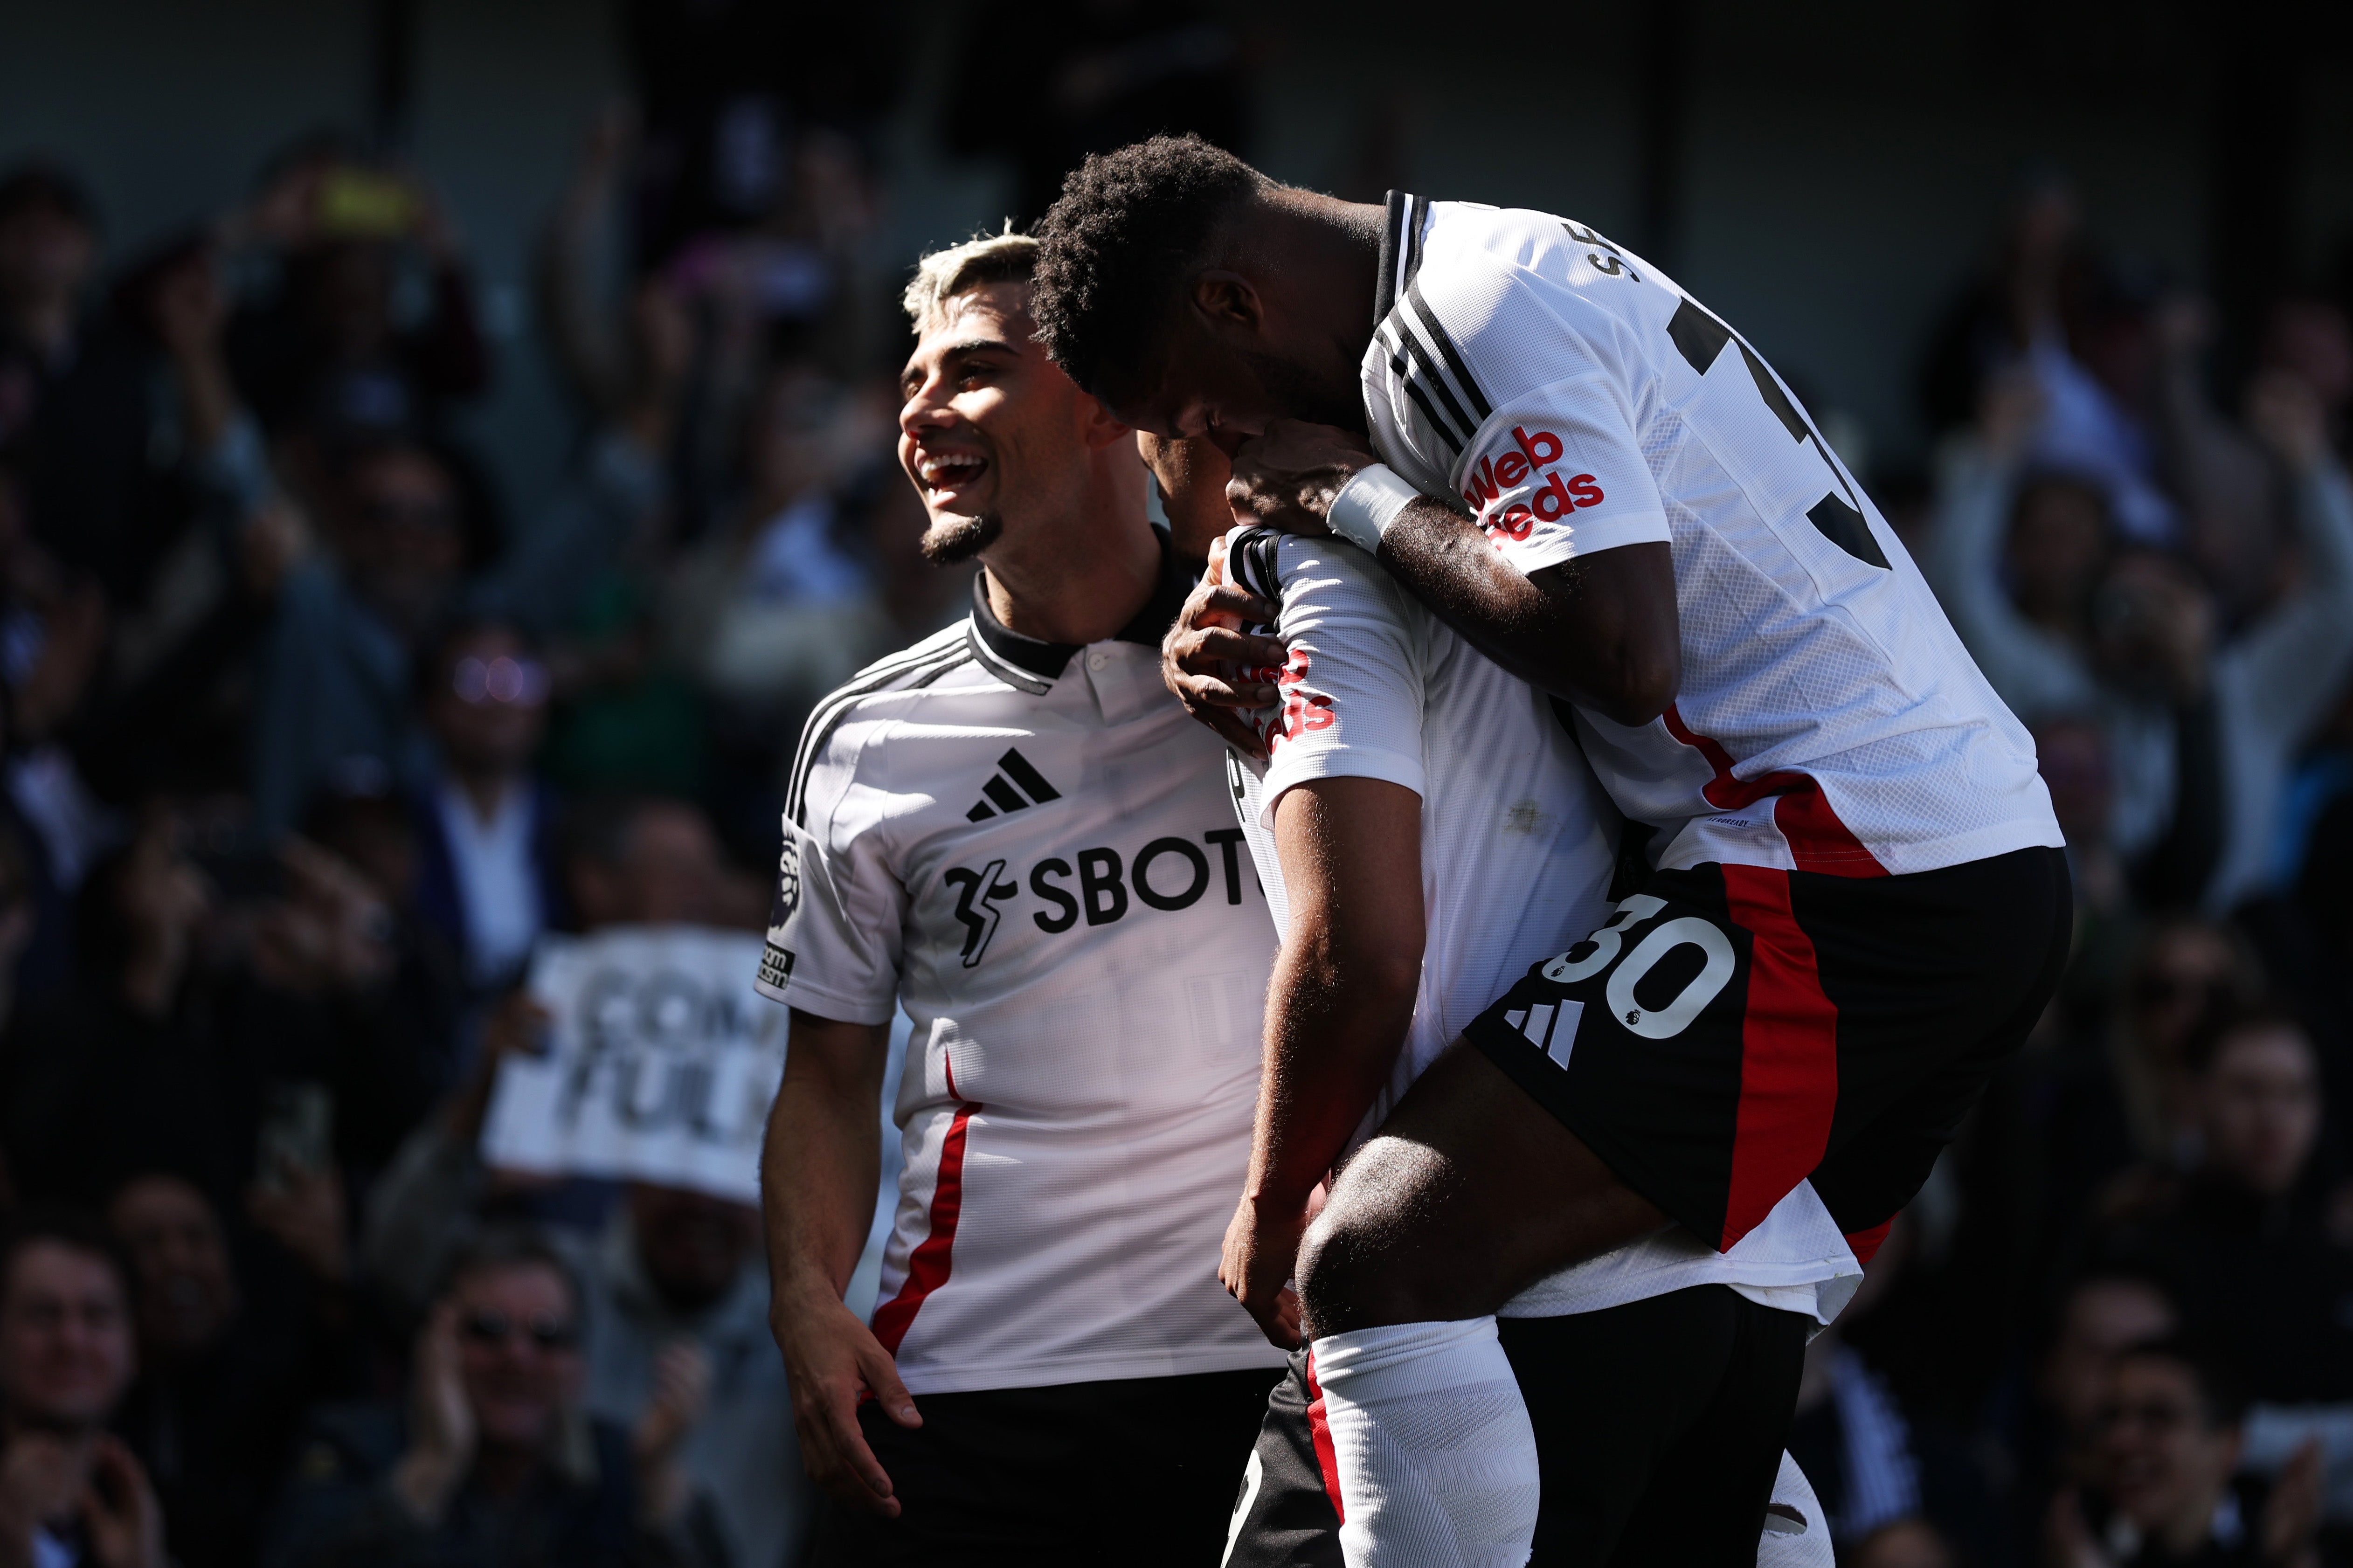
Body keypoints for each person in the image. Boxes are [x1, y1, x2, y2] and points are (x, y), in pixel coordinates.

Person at [1031, 134, 2072, 1559]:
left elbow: (1618, 647)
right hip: (1928, 857)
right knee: (1697, 1331)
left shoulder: (1449, 327)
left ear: (1230, 303)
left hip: (1852, 870)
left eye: (1193, 409)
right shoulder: (1492, 267)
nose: (1216, 448)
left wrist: (1349, 499)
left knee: (1378, 1251)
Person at [1182, 452, 1857, 1561]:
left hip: (1503, 1273)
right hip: (1736, 1258)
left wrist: (1268, 1199)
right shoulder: (1624, 554)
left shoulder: (1307, 564)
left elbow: (1362, 954)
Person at [755, 231, 1282, 1565]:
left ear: (1106, 396)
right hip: (964, 1388)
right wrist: (805, 1306)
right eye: (910, 384)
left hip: (1272, 1365)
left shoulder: (1302, 655)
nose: (919, 411)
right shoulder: (862, 736)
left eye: (974, 371)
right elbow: (825, 1076)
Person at [265, 1227, 724, 1568]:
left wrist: (660, 1484)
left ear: (578, 1365)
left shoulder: (620, 1468)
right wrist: (431, 1468)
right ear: (436, 1344)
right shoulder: (350, 1447)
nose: (518, 1358)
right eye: (488, 1330)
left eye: (547, 1336)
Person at [106, 1172, 358, 1568]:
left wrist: (334, 1285)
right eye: (149, 1242)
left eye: (197, 1238)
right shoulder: (84, 1410)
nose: (178, 1260)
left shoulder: (279, 1395)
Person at [2048, 1337, 2320, 1568]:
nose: (2121, 1440)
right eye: (2112, 1417)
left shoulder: (2271, 1537)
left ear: (2229, 1446)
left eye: (2157, 1417)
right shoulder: (2078, 1533)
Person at [0, 1210, 167, 1568]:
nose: (72, 1341)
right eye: (43, 1314)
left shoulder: (173, 1519)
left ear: (134, 1344)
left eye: (97, 1315)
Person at [410, 619, 566, 994]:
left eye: (518, 677)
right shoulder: (395, 828)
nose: (499, 699)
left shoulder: (571, 829)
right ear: (432, 702)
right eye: (472, 680)